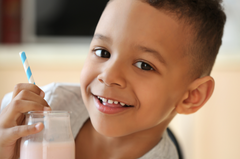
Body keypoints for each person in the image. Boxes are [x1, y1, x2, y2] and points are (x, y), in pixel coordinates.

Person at [0, 0, 226, 158]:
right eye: (102, 52)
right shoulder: (40, 110)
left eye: (144, 65)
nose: (109, 76)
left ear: (191, 97)